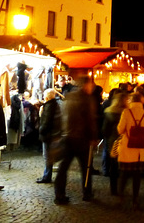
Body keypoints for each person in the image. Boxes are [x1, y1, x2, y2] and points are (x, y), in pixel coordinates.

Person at [54, 75, 99, 205]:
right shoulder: (86, 99)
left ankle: (59, 194)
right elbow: (90, 120)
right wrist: (93, 137)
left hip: (67, 136)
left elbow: (62, 116)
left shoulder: (69, 96)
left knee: (63, 167)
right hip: (81, 138)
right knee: (86, 167)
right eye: (91, 85)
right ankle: (87, 193)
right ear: (86, 85)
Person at [117, 91, 144, 209]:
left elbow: (120, 130)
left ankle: (120, 197)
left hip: (127, 148)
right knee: (136, 176)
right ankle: (135, 199)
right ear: (142, 101)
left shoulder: (126, 112)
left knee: (124, 174)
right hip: (140, 150)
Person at [102, 91, 127, 196]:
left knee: (113, 165)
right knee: (124, 166)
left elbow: (104, 129)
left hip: (112, 141)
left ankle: (113, 188)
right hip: (124, 141)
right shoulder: (126, 112)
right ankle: (121, 187)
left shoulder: (109, 111)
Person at [36, 88, 61, 183]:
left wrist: (41, 130)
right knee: (49, 156)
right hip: (53, 134)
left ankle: (47, 176)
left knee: (47, 156)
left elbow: (46, 122)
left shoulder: (49, 106)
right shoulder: (55, 104)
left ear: (46, 96)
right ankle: (47, 175)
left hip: (48, 135)